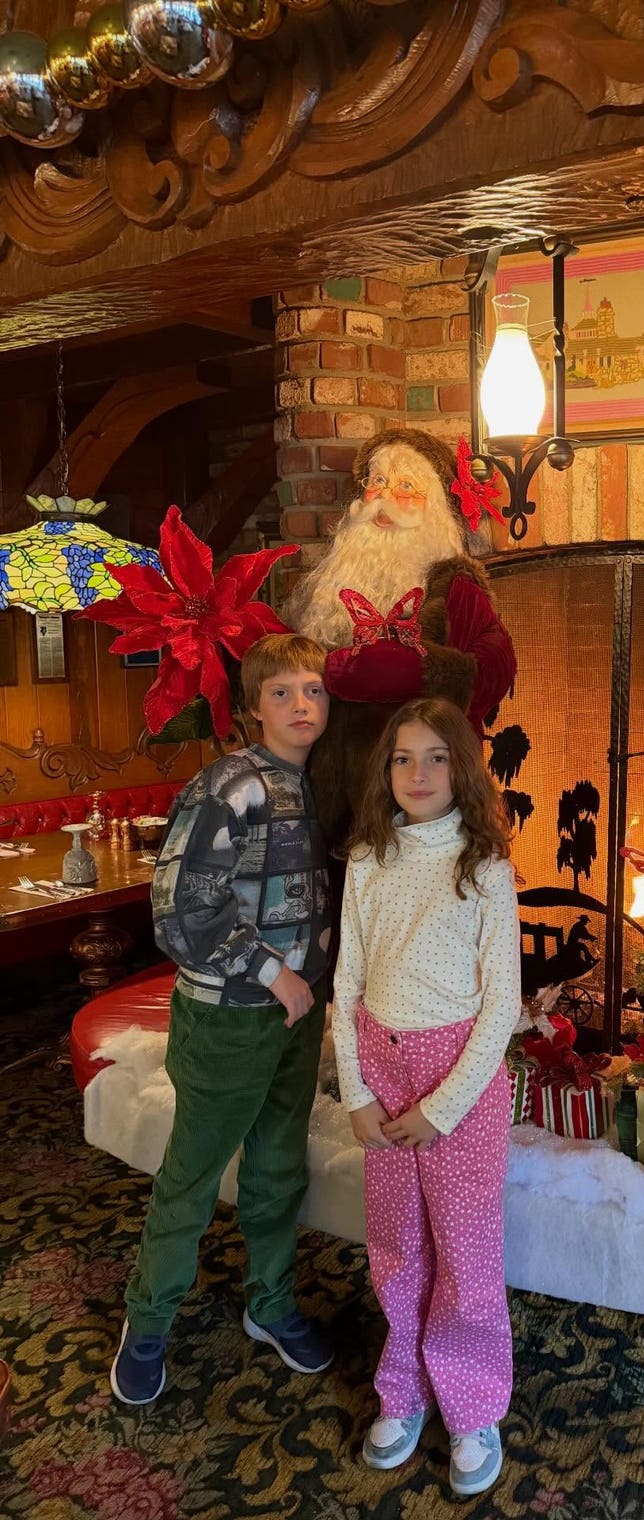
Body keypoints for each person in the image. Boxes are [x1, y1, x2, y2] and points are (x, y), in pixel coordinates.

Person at [111, 633, 334, 1406]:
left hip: (296, 1018)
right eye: (282, 692)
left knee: (278, 1169)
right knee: (192, 1178)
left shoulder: (318, 785)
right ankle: (147, 1323)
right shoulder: (229, 786)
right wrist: (273, 973)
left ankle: (270, 1304)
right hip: (229, 1019)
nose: (302, 704)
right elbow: (180, 909)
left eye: (314, 689)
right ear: (252, 708)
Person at [332, 696, 520, 1500]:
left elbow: (502, 1004)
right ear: (385, 770)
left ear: (462, 769)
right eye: (403, 757)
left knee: (464, 1253)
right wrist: (356, 1091)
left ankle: (471, 1407)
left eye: (436, 757)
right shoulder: (367, 860)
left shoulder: (485, 868)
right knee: (398, 1246)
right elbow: (346, 984)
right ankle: (403, 1388)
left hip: (459, 1084)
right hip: (383, 1069)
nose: (418, 773)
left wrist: (441, 1109)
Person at [282, 427, 516, 857]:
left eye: (406, 485)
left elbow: (493, 668)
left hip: (427, 805)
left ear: (435, 507)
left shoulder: (455, 588)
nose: (386, 497)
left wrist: (417, 670)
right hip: (337, 807)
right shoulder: (327, 592)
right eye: (377, 481)